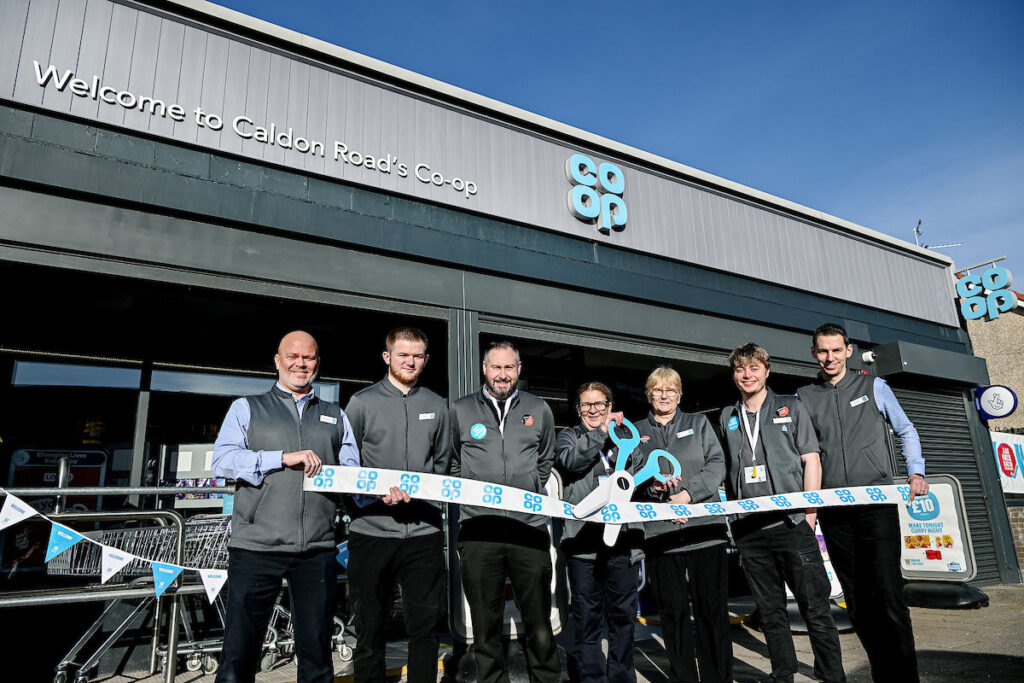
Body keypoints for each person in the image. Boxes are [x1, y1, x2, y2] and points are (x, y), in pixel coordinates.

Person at [211, 330, 358, 683]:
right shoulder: (247, 407)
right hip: (256, 547)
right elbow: (222, 461)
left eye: (308, 357)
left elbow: (351, 474)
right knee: (239, 653)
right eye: (292, 356)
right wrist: (281, 458)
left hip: (317, 549)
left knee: (317, 653)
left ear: (317, 363)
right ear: (277, 361)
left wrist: (382, 492)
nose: (300, 363)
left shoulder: (336, 415)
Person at [797, 323, 929, 682]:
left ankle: (905, 678)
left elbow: (906, 430)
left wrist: (915, 471)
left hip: (876, 505)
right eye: (823, 351)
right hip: (835, 510)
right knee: (856, 600)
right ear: (814, 353)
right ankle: (881, 674)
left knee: (887, 594)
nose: (830, 358)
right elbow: (801, 452)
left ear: (848, 351)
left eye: (836, 350)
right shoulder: (803, 397)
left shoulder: (873, 386)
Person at [720, 343, 845, 683]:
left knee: (815, 607)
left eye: (754, 368)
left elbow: (811, 460)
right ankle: (783, 674)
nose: (747, 375)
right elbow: (728, 471)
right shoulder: (728, 416)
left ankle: (832, 675)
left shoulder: (791, 406)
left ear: (766, 371)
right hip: (749, 531)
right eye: (741, 369)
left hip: (792, 524)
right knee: (771, 612)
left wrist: (809, 515)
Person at [344, 327, 453, 683]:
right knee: (370, 630)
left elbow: (442, 464)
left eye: (418, 355)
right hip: (371, 532)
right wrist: (370, 498)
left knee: (425, 629)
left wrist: (423, 496)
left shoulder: (437, 405)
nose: (410, 361)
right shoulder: (361, 403)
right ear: (387, 357)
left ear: (426, 359)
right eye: (403, 354)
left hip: (423, 534)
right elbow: (347, 465)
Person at [450, 340, 560, 683]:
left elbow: (546, 459)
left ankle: (546, 679)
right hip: (479, 530)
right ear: (484, 369)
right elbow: (452, 461)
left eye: (509, 367)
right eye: (496, 367)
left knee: (539, 623)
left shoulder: (539, 408)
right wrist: (473, 494)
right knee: (485, 626)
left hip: (529, 528)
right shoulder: (460, 410)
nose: (502, 374)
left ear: (519, 369)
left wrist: (529, 487)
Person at [635, 366, 730, 683]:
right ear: (648, 394)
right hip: (662, 535)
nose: (664, 396)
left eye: (671, 390)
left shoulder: (698, 424)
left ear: (680, 394)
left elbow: (717, 464)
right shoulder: (636, 432)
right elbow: (631, 479)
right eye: (658, 390)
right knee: (673, 614)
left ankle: (718, 678)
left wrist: (688, 495)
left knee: (711, 611)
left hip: (705, 531)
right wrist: (655, 493)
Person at [555, 382, 643, 683]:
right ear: (578, 409)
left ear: (610, 406)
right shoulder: (568, 437)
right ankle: (592, 678)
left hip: (623, 542)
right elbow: (571, 461)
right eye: (586, 404)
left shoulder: (625, 437)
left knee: (623, 619)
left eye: (600, 404)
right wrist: (602, 433)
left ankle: (621, 677)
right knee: (587, 620)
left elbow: (637, 475)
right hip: (583, 545)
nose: (593, 410)